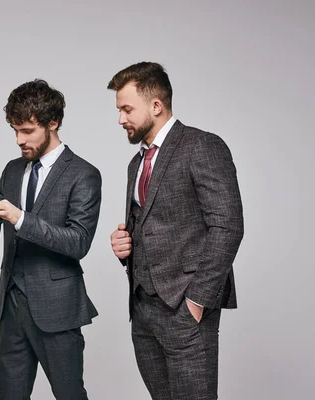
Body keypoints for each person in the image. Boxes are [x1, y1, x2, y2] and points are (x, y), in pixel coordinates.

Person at [108, 62, 244, 399]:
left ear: (156, 105)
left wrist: (197, 300)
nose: (120, 119)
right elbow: (152, 225)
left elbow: (228, 226)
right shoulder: (136, 163)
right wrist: (124, 245)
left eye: (127, 109)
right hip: (142, 310)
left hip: (186, 309)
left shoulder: (202, 146)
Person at [0, 79, 101, 399]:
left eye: (27, 131)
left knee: (69, 394)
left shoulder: (83, 174)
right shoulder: (12, 170)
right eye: (15, 130)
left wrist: (19, 218)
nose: (19, 140)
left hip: (57, 307)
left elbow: (78, 241)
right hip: (10, 307)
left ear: (53, 123)